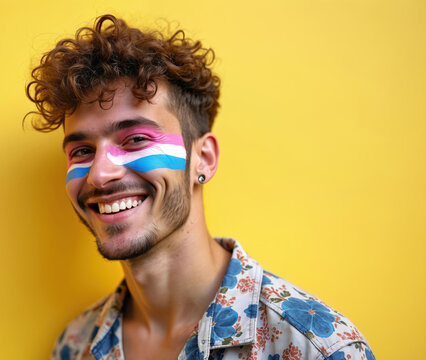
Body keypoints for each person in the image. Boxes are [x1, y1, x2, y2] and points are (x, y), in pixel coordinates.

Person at [26, 14, 375, 360]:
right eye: (83, 151)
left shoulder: (317, 349)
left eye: (135, 139)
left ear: (203, 158)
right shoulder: (74, 346)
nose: (100, 175)